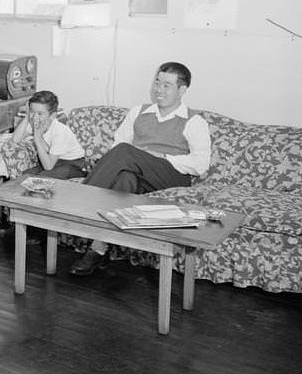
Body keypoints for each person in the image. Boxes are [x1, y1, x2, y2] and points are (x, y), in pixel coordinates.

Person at [70, 61, 211, 276]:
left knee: (126, 151)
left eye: (167, 85)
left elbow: (200, 164)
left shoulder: (194, 121)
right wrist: (140, 159)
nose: (159, 90)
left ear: (182, 90)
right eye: (157, 82)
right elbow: (117, 145)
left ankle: (78, 199)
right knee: (125, 179)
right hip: (137, 171)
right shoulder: (139, 111)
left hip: (171, 175)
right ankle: (98, 250)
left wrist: (161, 156)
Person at [11, 90, 86, 181]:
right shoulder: (37, 122)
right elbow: (15, 139)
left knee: (42, 179)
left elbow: (48, 166)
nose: (35, 117)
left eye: (40, 114)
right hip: (54, 161)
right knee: (26, 175)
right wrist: (27, 116)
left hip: (73, 164)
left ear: (52, 115)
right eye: (32, 112)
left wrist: (37, 138)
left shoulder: (60, 131)